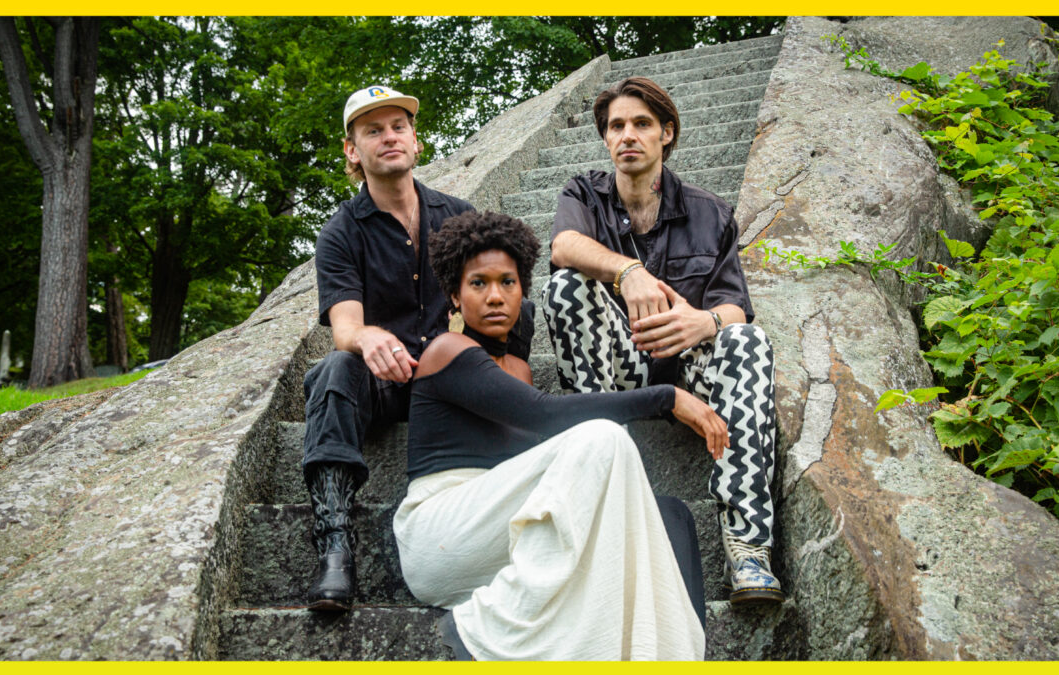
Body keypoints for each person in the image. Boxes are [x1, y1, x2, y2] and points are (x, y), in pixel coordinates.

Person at [393, 209, 724, 660]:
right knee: (602, 439)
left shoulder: (520, 369)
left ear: (522, 291)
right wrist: (666, 397)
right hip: (441, 536)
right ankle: (491, 629)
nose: (495, 297)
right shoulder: (447, 351)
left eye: (507, 283)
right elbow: (544, 415)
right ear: (453, 297)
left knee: (668, 517)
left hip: (496, 534)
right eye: (479, 283)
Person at [545, 76, 783, 604]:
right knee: (563, 287)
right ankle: (600, 484)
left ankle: (748, 544)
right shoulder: (584, 193)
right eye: (616, 126)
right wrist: (627, 271)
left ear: (666, 134)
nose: (627, 135)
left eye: (641, 124)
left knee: (748, 340)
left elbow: (735, 305)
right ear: (606, 139)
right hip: (619, 367)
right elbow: (562, 246)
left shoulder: (709, 211)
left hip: (690, 370)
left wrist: (706, 323)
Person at [303, 85, 532, 610]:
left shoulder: (457, 215)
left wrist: (497, 360)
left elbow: (502, 291)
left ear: (415, 141)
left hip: (453, 381)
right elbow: (344, 327)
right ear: (351, 151)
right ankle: (335, 544)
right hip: (388, 382)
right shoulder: (340, 233)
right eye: (372, 130)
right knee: (334, 370)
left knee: (515, 304)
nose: (389, 137)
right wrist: (366, 336)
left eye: (398, 127)